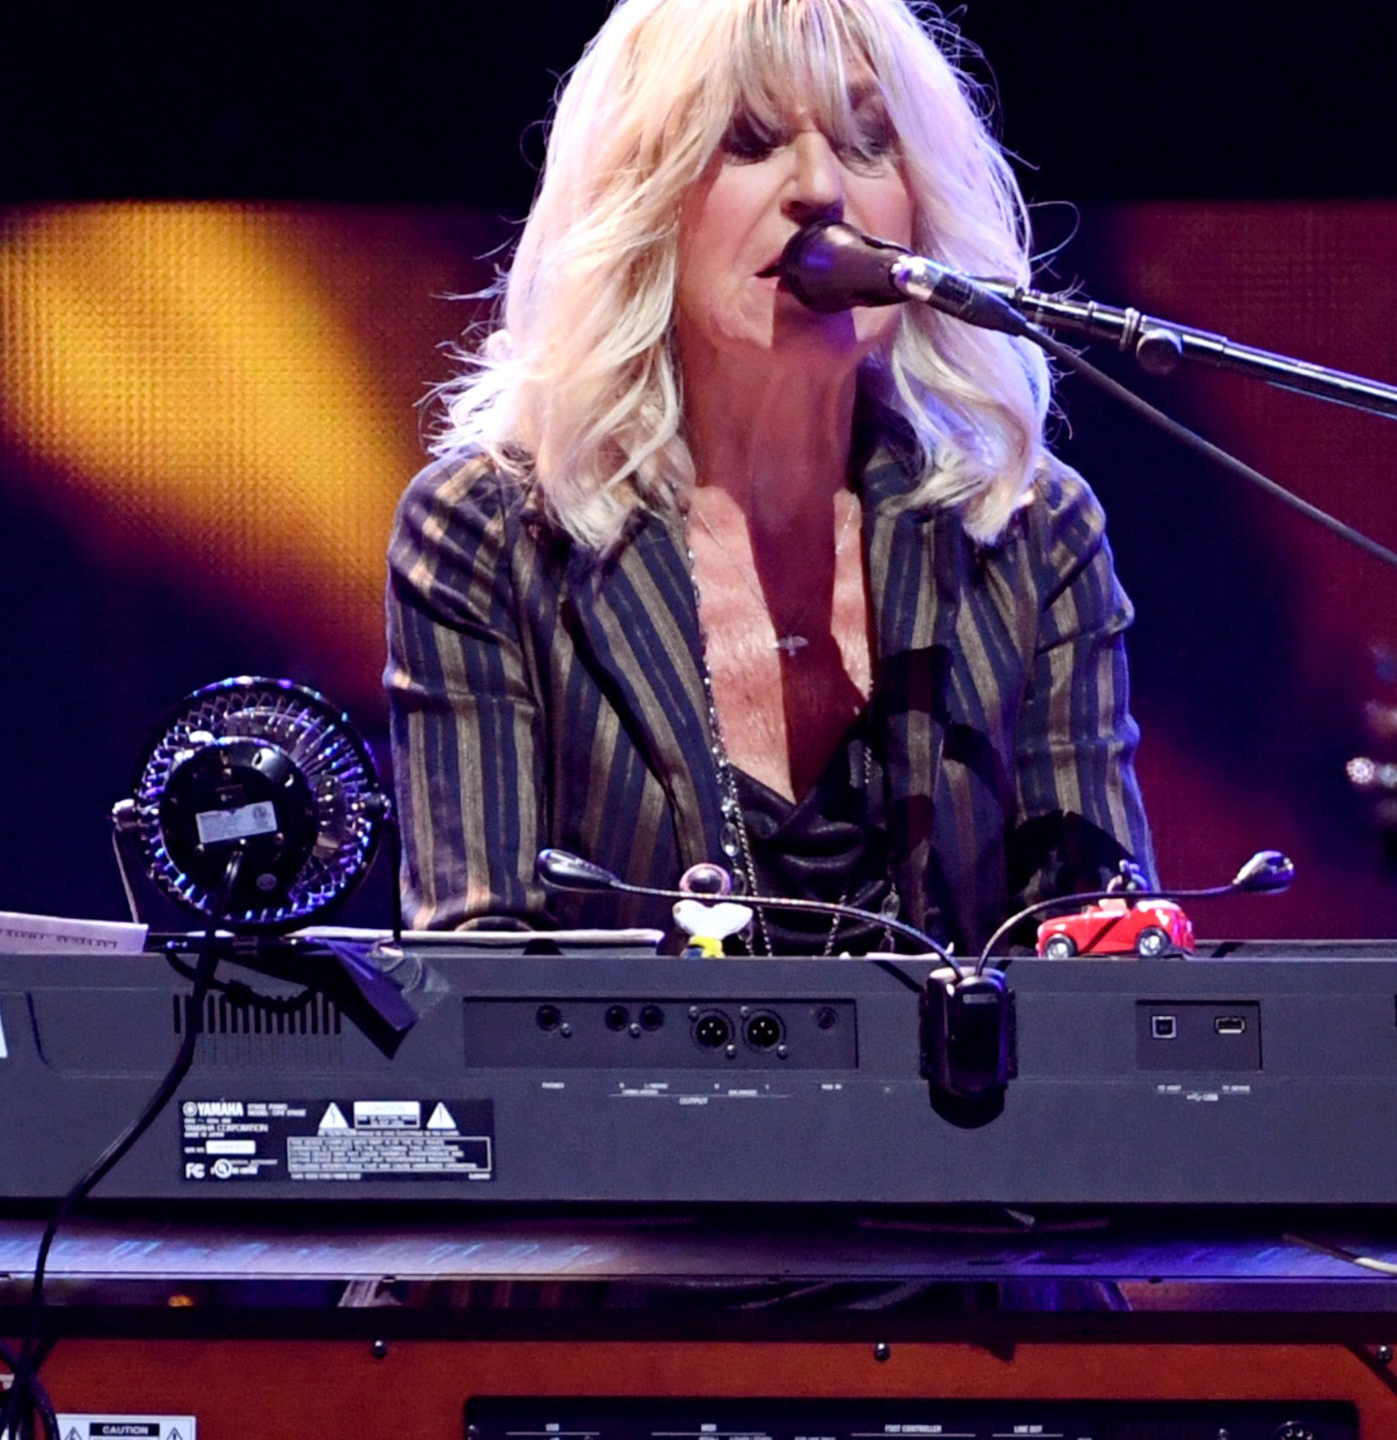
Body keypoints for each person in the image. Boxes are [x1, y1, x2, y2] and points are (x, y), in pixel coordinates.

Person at [386, 0, 1154, 953]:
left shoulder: (1030, 534)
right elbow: (477, 979)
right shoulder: (491, 535)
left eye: (870, 144)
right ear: (642, 197)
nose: (820, 187)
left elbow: (1106, 950)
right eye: (749, 142)